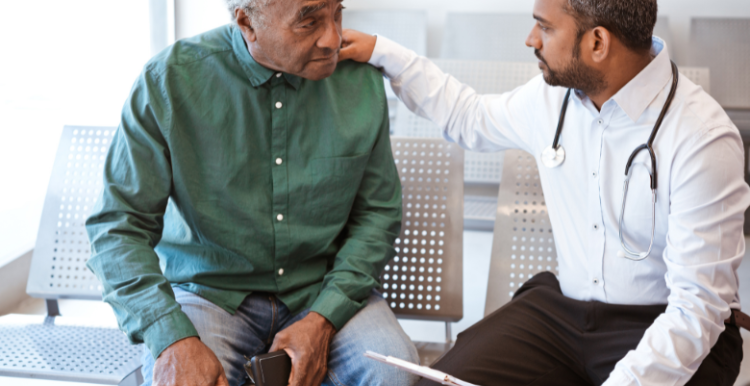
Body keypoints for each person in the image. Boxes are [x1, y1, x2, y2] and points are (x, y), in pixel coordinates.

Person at [339, 0, 748, 385]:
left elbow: (697, 308)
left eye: (545, 27)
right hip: (564, 315)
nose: (531, 39)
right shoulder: (551, 99)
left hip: (667, 324)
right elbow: (469, 115)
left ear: (597, 42)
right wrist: (381, 50)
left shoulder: (702, 139)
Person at [84, 0, 420, 385]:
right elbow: (117, 226)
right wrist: (170, 338)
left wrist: (324, 316)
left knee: (394, 375)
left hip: (324, 288)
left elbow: (377, 214)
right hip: (209, 292)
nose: (332, 38)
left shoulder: (359, 80)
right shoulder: (170, 81)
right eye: (308, 21)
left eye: (337, 13)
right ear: (248, 23)